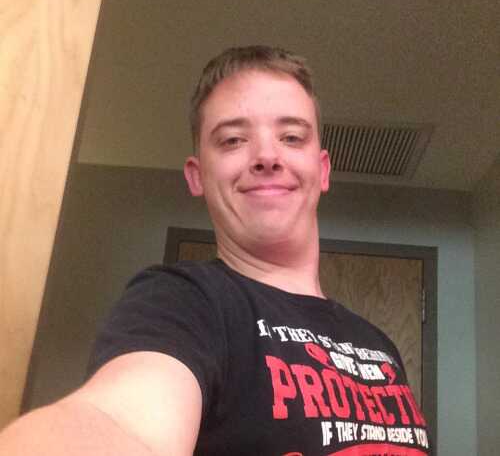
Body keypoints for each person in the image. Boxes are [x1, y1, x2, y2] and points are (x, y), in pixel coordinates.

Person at [0, 46, 430, 455]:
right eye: (233, 140)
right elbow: (119, 421)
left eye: (291, 137)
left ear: (322, 171)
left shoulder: (380, 346)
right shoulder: (180, 302)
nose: (267, 156)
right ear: (197, 176)